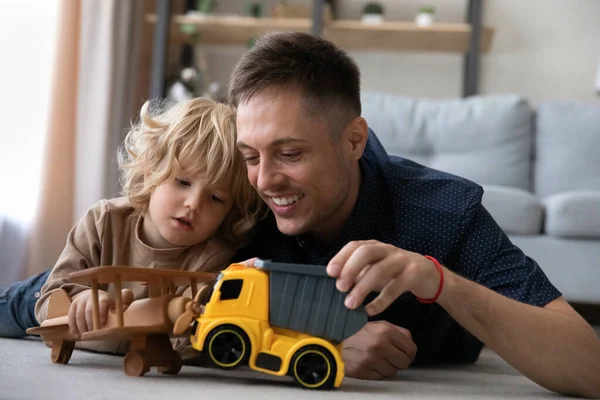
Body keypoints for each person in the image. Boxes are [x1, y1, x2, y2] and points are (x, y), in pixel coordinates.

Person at [229, 32, 600, 398]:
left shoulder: (445, 211)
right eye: (250, 157)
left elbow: (591, 369)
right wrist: (323, 342)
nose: (265, 180)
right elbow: (178, 319)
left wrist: (440, 282)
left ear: (354, 141)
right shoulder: (235, 202)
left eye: (290, 154)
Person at [0, 97, 264, 360]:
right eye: (182, 181)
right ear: (150, 171)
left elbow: (189, 342)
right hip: (34, 298)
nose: (194, 203)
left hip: (126, 340)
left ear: (230, 211)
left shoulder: (213, 257)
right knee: (15, 306)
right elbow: (53, 295)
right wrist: (78, 302)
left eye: (216, 198)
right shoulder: (103, 220)